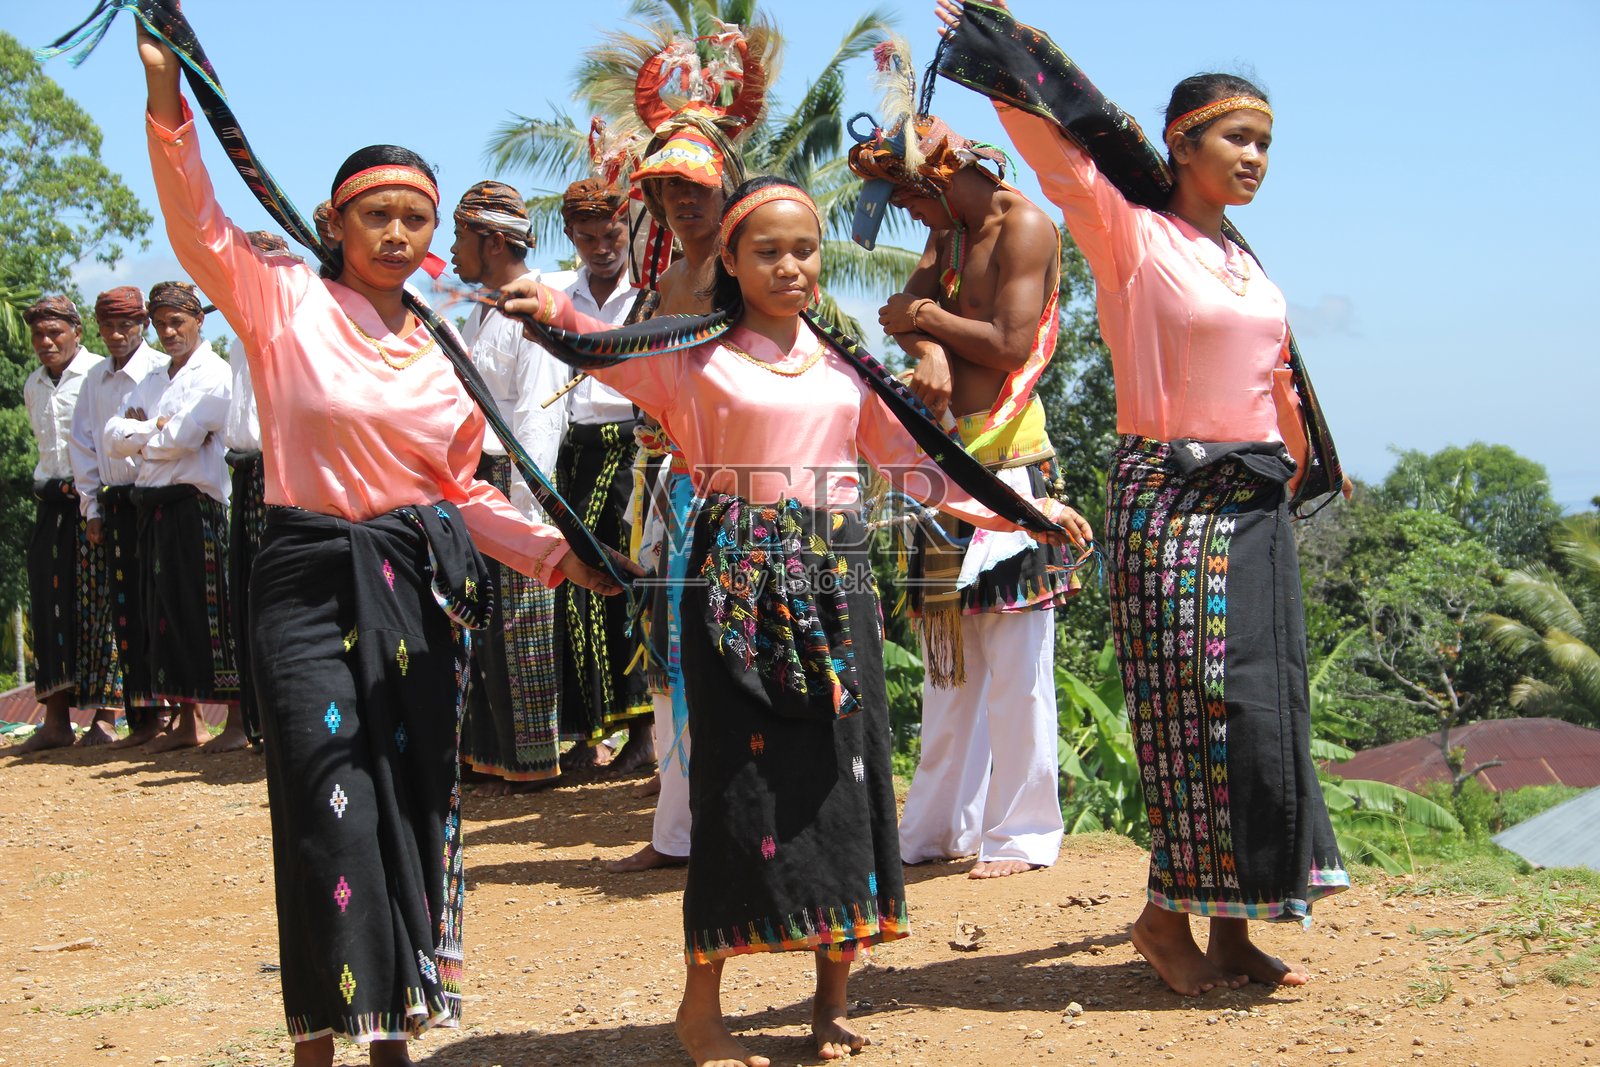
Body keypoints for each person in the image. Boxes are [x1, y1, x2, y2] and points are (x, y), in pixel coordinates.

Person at [504, 175, 1090, 1067]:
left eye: (805, 249)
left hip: (836, 581)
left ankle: (830, 999)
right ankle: (702, 1004)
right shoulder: (691, 358)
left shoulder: (845, 368)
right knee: (737, 798)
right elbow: (599, 344)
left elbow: (917, 466)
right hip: (731, 588)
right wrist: (545, 298)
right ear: (730, 263)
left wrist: (1022, 513)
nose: (790, 266)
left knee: (843, 786)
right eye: (768, 250)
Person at [135, 26, 618, 1066]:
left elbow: (458, 491)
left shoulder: (443, 344)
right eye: (378, 215)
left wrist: (556, 557)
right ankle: (322, 1033)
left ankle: (393, 1030)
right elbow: (195, 220)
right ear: (333, 222)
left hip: (414, 591)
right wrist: (169, 93)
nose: (398, 233)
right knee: (328, 802)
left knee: (409, 796)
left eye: (416, 218)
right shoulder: (281, 301)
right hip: (305, 584)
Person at [936, 0, 1348, 995]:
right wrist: (995, 44)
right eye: (1234, 138)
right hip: (1169, 498)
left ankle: (1240, 928)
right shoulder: (1132, 238)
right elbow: (1054, 149)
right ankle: (1166, 921)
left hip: (1254, 508)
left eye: (1265, 141)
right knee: (1192, 710)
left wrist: (1299, 462)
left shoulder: (1244, 261)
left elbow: (1276, 383)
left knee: (1263, 714)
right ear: (1178, 140)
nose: (1253, 156)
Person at [848, 40, 1076, 880]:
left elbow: (1012, 346)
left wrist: (928, 327)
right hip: (946, 470)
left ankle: (1023, 832)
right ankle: (937, 827)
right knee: (950, 666)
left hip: (1010, 467)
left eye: (904, 199)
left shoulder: (1023, 226)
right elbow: (894, 308)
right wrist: (931, 347)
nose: (904, 216)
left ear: (936, 180)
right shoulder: (952, 237)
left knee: (1017, 668)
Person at [601, 25, 766, 873]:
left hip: (738, 485)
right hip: (670, 485)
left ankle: (733, 824)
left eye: (693, 187)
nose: (680, 201)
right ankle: (678, 828)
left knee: (729, 651)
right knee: (669, 652)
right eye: (665, 188)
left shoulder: (749, 275)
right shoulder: (663, 283)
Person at [450, 180, 569, 793]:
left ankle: (531, 759)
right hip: (475, 481)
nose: (450, 251)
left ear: (492, 242)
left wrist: (528, 512)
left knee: (522, 623)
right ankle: (491, 753)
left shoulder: (534, 307)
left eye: (459, 236)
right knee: (482, 624)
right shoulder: (478, 308)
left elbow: (539, 419)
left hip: (512, 480)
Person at [104, 280, 239, 753]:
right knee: (166, 613)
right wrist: (152, 428)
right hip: (155, 505)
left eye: (176, 321)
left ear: (198, 320)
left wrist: (146, 435)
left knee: (211, 612)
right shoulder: (154, 378)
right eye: (160, 324)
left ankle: (237, 722)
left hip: (195, 505)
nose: (168, 331)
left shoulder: (214, 374)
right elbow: (112, 436)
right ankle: (188, 721)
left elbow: (183, 438)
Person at [11, 296, 118, 753]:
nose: (46, 341)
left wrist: (92, 498)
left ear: (78, 331)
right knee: (49, 604)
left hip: (90, 502)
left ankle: (106, 717)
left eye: (55, 332)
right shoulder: (34, 384)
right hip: (50, 503)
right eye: (38, 334)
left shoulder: (98, 374)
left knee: (101, 605)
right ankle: (55, 721)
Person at [70, 285, 169, 747]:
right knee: (125, 610)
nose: (115, 334)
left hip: (155, 498)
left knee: (159, 604)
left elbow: (167, 435)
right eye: (107, 325)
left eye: (124, 324)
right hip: (114, 503)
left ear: (142, 325)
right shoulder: (94, 379)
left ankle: (171, 713)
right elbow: (84, 447)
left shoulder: (159, 370)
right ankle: (142, 718)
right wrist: (91, 507)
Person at [223, 231, 299, 750]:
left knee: (288, 591)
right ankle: (257, 723)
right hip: (246, 472)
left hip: (286, 471)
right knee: (249, 593)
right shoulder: (235, 333)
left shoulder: (300, 324)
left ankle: (292, 719)